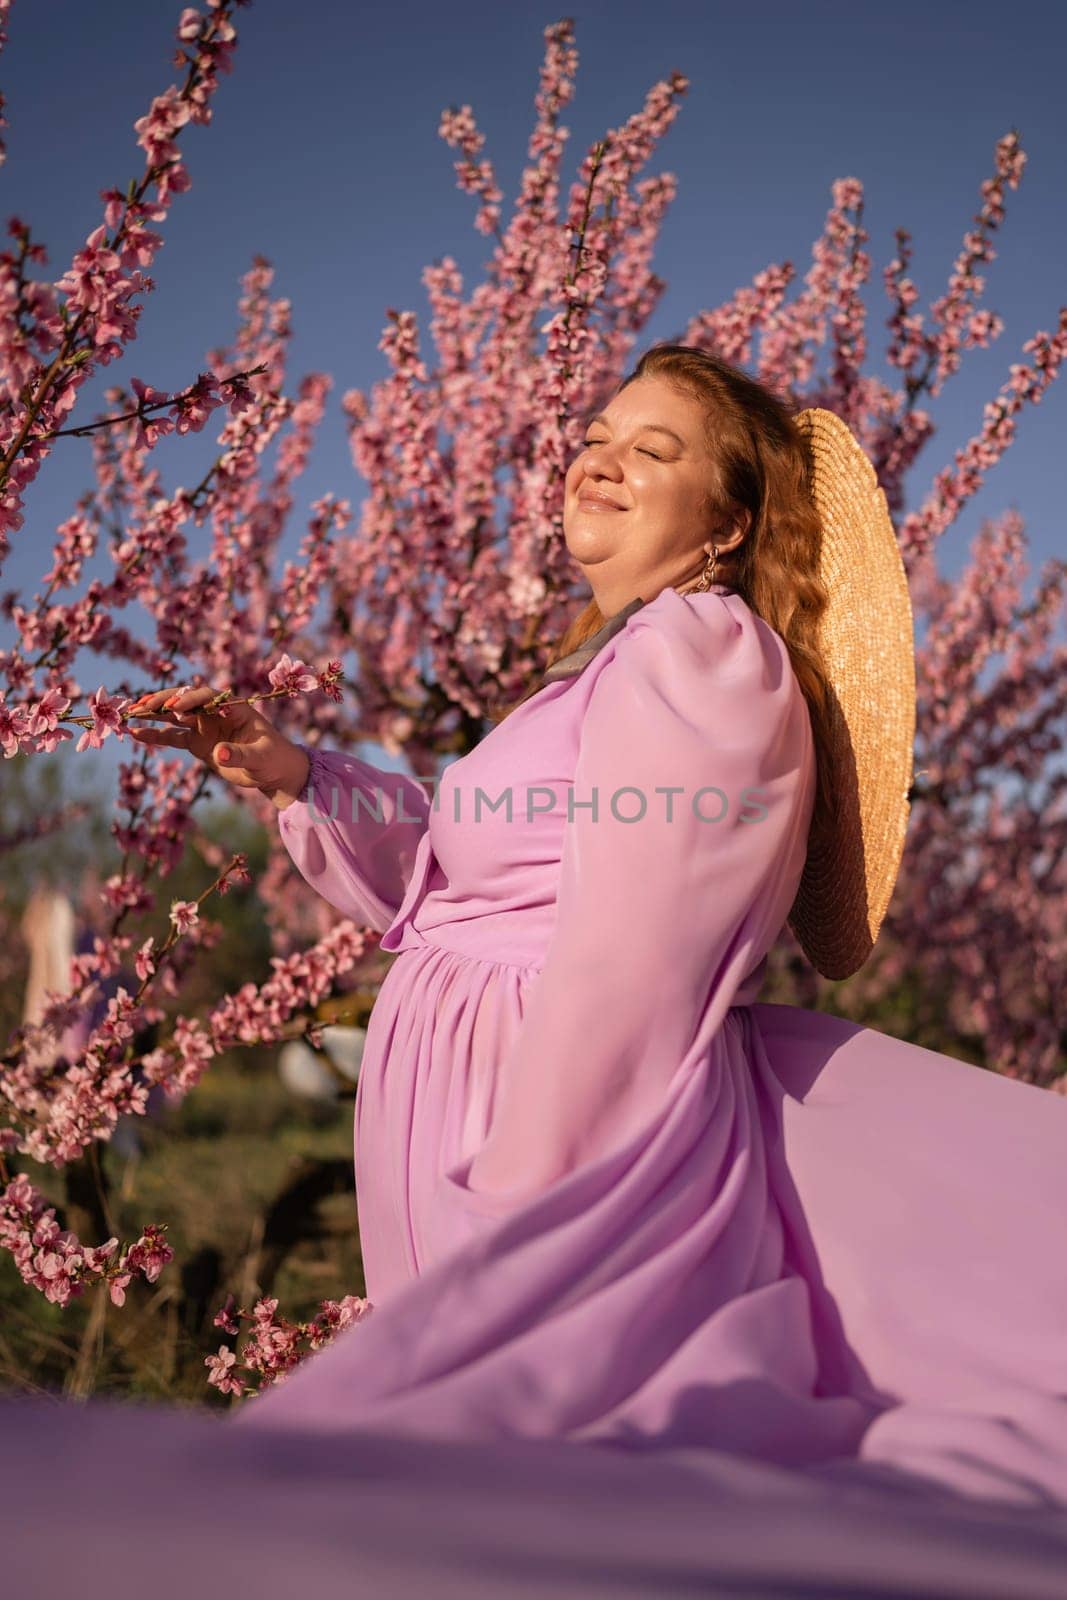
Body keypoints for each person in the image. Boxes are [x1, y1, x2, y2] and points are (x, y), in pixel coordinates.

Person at [6, 344, 1067, 1599]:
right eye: (601, 428)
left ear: (726, 524)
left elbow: (641, 941)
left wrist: (527, 1186)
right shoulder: (594, 674)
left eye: (655, 450)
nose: (602, 455)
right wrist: (292, 774)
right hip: (476, 1095)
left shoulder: (703, 650)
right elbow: (463, 878)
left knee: (510, 1502)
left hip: (541, 1122)